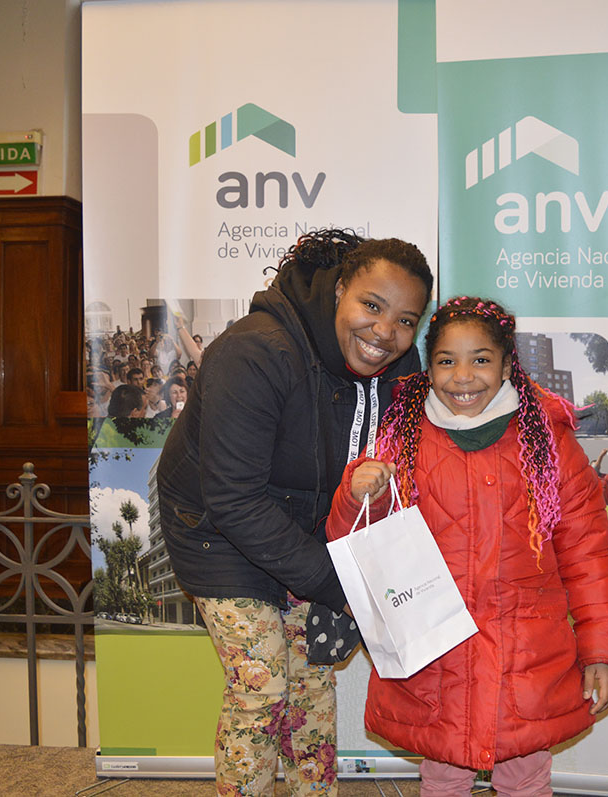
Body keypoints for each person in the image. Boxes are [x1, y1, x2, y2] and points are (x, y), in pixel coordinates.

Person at [155, 229, 432, 795]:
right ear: (338, 294)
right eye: (372, 306)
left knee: (308, 679)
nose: (385, 332)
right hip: (215, 530)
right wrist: (340, 585)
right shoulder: (255, 352)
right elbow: (233, 499)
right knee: (260, 689)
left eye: (406, 320)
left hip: (307, 524)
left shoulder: (397, 368)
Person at [327, 297, 608, 796]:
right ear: (427, 369)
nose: (462, 376)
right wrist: (359, 492)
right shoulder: (401, 438)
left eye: (481, 359)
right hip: (438, 659)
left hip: (528, 658)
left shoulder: (549, 445)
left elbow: (589, 556)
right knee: (443, 776)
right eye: (446, 361)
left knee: (525, 778)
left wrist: (603, 649)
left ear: (509, 364)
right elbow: (356, 541)